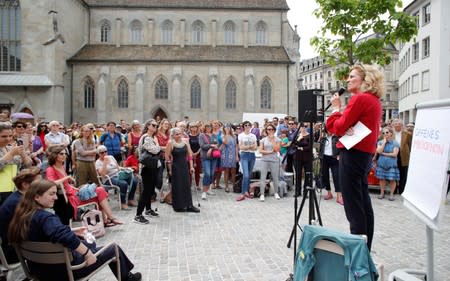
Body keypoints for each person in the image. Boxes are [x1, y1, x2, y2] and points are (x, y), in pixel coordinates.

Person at [7, 179, 142, 281]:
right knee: (113, 248)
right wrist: (87, 253)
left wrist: (71, 231)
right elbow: (60, 234)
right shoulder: (45, 218)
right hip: (66, 270)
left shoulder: (21, 217)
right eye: (51, 194)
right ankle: (128, 278)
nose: (56, 197)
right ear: (36, 197)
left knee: (88, 241)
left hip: (39, 269)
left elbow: (48, 234)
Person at [326, 64, 384, 251]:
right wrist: (343, 124)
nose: (348, 80)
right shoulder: (373, 100)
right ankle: (365, 249)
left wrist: (336, 110)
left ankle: (358, 253)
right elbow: (344, 127)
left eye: (352, 76)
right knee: (363, 204)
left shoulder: (360, 99)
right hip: (362, 156)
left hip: (353, 155)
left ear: (364, 80)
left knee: (353, 207)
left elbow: (336, 127)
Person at [45, 145, 122, 225]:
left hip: (74, 193)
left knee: (100, 190)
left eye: (65, 153)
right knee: (100, 192)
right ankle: (109, 219)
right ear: (55, 155)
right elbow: (51, 183)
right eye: (61, 154)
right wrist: (67, 177)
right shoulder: (50, 169)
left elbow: (66, 185)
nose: (64, 155)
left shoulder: (61, 167)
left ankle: (107, 219)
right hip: (69, 198)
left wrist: (75, 188)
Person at [0, 167, 41, 264]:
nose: (41, 186)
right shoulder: (18, 203)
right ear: (25, 185)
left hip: (15, 247)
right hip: (14, 252)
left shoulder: (19, 197)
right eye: (38, 183)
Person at [165, 127, 199, 213]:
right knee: (177, 185)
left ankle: (189, 205)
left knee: (186, 184)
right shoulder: (170, 143)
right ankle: (178, 206)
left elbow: (190, 155)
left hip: (184, 166)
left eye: (180, 133)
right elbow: (167, 157)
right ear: (172, 135)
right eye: (177, 134)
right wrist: (169, 169)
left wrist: (191, 167)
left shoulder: (185, 142)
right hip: (175, 167)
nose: (179, 135)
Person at [133, 119, 161, 224]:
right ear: (148, 126)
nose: (155, 127)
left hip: (152, 166)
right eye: (153, 125)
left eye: (156, 126)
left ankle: (148, 209)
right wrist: (158, 145)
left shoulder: (151, 137)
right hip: (146, 167)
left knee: (150, 190)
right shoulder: (146, 137)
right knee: (146, 191)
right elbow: (154, 150)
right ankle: (138, 215)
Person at [96, 145, 138, 210]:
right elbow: (103, 174)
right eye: (102, 152)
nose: (104, 153)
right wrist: (105, 163)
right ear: (98, 154)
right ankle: (122, 203)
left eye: (105, 151)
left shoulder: (111, 157)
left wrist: (127, 169)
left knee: (134, 180)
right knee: (123, 184)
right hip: (108, 179)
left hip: (118, 175)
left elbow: (118, 167)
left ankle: (130, 199)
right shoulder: (98, 162)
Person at [0, 121, 32, 205]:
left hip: (13, 190)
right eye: (4, 136)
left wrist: (23, 154)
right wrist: (11, 154)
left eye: (10, 136)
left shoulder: (11, 148)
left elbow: (28, 165)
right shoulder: (12, 151)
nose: (8, 139)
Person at [319, 127, 343, 205]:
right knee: (325, 176)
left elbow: (341, 146)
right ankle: (329, 193)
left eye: (331, 129)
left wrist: (339, 155)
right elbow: (320, 148)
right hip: (324, 158)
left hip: (334, 158)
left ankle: (339, 196)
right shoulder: (323, 138)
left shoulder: (337, 137)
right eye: (328, 130)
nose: (329, 131)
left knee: (336, 176)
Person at [257, 124, 281, 201]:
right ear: (266, 130)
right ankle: (262, 194)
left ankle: (276, 192)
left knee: (275, 177)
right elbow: (260, 150)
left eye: (271, 129)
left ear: (274, 130)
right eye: (268, 129)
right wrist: (270, 151)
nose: (270, 131)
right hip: (264, 160)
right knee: (263, 177)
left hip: (274, 160)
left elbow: (277, 149)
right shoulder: (263, 140)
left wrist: (273, 140)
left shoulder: (278, 139)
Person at [375, 127, 400, 200]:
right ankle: (382, 193)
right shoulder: (380, 142)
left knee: (392, 179)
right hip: (381, 164)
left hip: (391, 164)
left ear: (391, 133)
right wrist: (384, 142)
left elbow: (395, 154)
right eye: (383, 133)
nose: (385, 134)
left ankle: (391, 194)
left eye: (387, 132)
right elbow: (379, 151)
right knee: (382, 179)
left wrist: (383, 153)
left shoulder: (395, 143)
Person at [236, 121, 257, 201]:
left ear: (251, 126)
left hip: (252, 156)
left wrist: (247, 146)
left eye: (249, 125)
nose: (247, 126)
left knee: (249, 174)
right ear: (243, 126)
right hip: (244, 155)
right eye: (246, 125)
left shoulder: (253, 135)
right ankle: (243, 193)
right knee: (246, 175)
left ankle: (246, 191)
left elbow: (255, 147)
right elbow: (241, 147)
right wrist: (250, 146)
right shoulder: (240, 135)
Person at [199, 123, 220, 200]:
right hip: (205, 157)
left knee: (211, 174)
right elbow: (202, 146)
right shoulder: (202, 135)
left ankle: (207, 189)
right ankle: (204, 192)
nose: (209, 128)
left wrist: (211, 148)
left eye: (210, 127)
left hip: (214, 157)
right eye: (207, 127)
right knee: (207, 174)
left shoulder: (214, 135)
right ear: (204, 127)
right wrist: (211, 146)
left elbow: (217, 145)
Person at [391, 118, 412, 194]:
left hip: (404, 155)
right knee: (393, 172)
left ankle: (402, 190)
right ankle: (394, 189)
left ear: (402, 125)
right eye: (396, 125)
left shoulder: (407, 134)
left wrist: (409, 153)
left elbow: (410, 145)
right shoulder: (390, 134)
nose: (397, 126)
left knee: (403, 173)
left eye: (399, 125)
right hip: (393, 155)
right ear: (393, 125)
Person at [293, 123, 312, 197]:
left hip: (307, 157)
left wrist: (301, 148)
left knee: (307, 175)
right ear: (299, 128)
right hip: (298, 157)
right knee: (298, 174)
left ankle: (305, 192)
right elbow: (294, 145)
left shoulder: (309, 135)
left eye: (305, 127)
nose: (303, 128)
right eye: (301, 127)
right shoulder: (297, 135)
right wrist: (299, 139)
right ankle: (298, 191)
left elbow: (309, 146)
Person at [220, 124, 238, 193]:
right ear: (224, 129)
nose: (227, 129)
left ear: (231, 129)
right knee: (226, 170)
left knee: (233, 171)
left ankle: (234, 186)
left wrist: (236, 156)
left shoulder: (234, 136)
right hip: (226, 154)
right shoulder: (222, 136)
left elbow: (236, 146)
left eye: (228, 128)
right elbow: (225, 142)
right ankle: (226, 186)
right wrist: (227, 134)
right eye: (226, 128)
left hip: (233, 154)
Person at [188, 122, 201, 189]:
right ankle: (189, 184)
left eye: (195, 127)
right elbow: (187, 145)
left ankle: (197, 184)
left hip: (198, 154)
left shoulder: (200, 135)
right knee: (190, 169)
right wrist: (192, 153)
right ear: (190, 128)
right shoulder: (188, 136)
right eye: (192, 127)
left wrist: (197, 152)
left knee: (197, 170)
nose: (194, 128)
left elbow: (201, 145)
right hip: (190, 154)